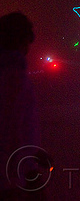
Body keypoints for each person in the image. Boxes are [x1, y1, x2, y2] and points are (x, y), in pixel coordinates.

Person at [0, 12, 46, 199]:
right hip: (11, 178)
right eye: (27, 41)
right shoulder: (15, 77)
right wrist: (30, 168)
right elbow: (16, 128)